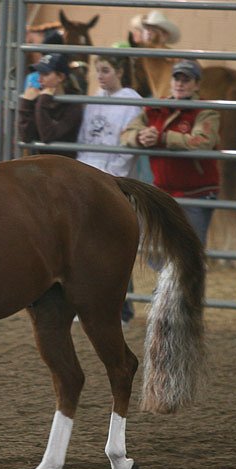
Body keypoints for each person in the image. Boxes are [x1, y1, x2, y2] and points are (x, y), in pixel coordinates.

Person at [120, 59, 220, 247]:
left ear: (197, 84)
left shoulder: (206, 112)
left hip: (196, 193)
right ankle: (169, 276)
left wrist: (163, 137)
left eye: (186, 80)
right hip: (163, 191)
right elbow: (126, 134)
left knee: (191, 249)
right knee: (150, 246)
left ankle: (185, 276)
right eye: (177, 78)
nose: (180, 84)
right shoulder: (156, 108)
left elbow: (203, 141)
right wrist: (140, 136)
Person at [76, 54, 143, 326]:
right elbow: (84, 138)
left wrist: (113, 175)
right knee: (87, 246)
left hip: (113, 177)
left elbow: (127, 145)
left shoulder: (132, 101)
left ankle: (123, 309)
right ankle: (87, 306)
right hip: (88, 174)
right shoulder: (94, 98)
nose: (101, 76)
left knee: (114, 247)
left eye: (105, 71)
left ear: (119, 71)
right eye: (98, 71)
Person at [17, 53, 83, 158]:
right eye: (39, 74)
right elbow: (25, 137)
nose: (39, 79)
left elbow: (48, 136)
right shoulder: (39, 99)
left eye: (45, 74)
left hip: (66, 166)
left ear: (61, 77)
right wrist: (26, 103)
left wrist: (42, 103)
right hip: (43, 164)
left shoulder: (73, 104)